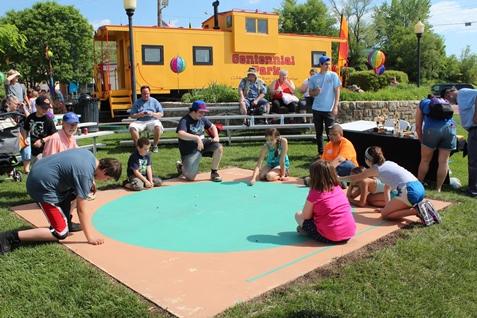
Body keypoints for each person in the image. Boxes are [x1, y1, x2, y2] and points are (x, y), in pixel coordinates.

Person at [0, 148, 122, 257]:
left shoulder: (89, 156)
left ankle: (66, 220)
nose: (105, 181)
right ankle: (8, 237)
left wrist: (90, 181)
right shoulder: (85, 174)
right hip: (41, 187)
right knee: (60, 232)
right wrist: (90, 237)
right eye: (108, 178)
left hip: (41, 173)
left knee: (78, 191)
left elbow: (74, 167)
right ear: (104, 170)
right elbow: (82, 209)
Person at [339, 146, 441, 226]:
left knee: (385, 215)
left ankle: (416, 211)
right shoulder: (389, 164)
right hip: (419, 188)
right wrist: (387, 207)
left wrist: (339, 178)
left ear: (368, 160)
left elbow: (355, 178)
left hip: (409, 191)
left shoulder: (375, 169)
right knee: (387, 211)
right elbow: (387, 188)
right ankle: (423, 207)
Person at [295, 160, 356, 243]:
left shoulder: (315, 193)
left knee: (298, 215)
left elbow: (306, 216)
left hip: (331, 236)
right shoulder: (338, 187)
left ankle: (308, 231)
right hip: (348, 233)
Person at [416, 94, 457, 192]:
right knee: (444, 162)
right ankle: (438, 188)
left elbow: (418, 126)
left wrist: (422, 139)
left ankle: (419, 184)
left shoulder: (422, 103)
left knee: (425, 160)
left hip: (432, 130)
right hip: (450, 128)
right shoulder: (445, 102)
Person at [175, 100, 223, 182]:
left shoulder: (202, 119)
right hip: (189, 151)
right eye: (200, 112)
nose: (202, 114)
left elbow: (213, 127)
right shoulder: (185, 120)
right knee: (190, 177)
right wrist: (197, 138)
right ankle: (181, 166)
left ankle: (214, 172)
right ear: (193, 110)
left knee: (219, 147)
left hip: (202, 145)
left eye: (203, 112)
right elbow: (180, 134)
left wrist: (216, 137)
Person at [443, 86, 477, 197]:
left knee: (473, 162)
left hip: (475, 129)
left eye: (446, 100)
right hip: (473, 129)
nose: (448, 103)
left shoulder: (462, 93)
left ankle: (473, 191)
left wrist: (476, 116)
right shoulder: (463, 97)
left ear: (449, 93)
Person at [308, 56, 341, 157]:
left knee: (330, 132)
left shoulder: (333, 76)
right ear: (320, 65)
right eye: (326, 64)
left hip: (329, 109)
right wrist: (316, 92)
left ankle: (332, 152)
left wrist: (335, 106)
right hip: (317, 108)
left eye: (329, 64)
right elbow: (310, 93)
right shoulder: (314, 78)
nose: (328, 66)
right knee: (319, 132)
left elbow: (337, 91)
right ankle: (321, 152)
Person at [21, 94, 57, 166]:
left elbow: (54, 134)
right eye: (43, 108)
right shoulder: (30, 117)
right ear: (37, 106)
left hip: (45, 149)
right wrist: (25, 138)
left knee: (40, 166)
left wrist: (42, 141)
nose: (45, 110)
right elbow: (25, 129)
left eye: (47, 108)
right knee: (34, 165)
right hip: (33, 148)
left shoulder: (48, 120)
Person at [0, 94, 32, 174]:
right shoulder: (2, 113)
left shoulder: (20, 112)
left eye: (18, 104)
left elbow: (30, 119)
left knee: (27, 144)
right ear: (8, 104)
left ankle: (26, 169)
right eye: (16, 104)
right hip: (5, 136)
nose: (17, 105)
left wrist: (24, 108)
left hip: (20, 135)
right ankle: (9, 170)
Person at [128, 85, 164, 153]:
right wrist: (139, 114)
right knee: (132, 127)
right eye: (144, 93)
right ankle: (139, 147)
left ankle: (155, 146)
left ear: (149, 92)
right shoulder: (137, 102)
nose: (146, 95)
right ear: (141, 93)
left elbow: (161, 114)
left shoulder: (154, 101)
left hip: (152, 120)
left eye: (147, 93)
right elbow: (132, 115)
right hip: (140, 121)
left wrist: (152, 114)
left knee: (158, 126)